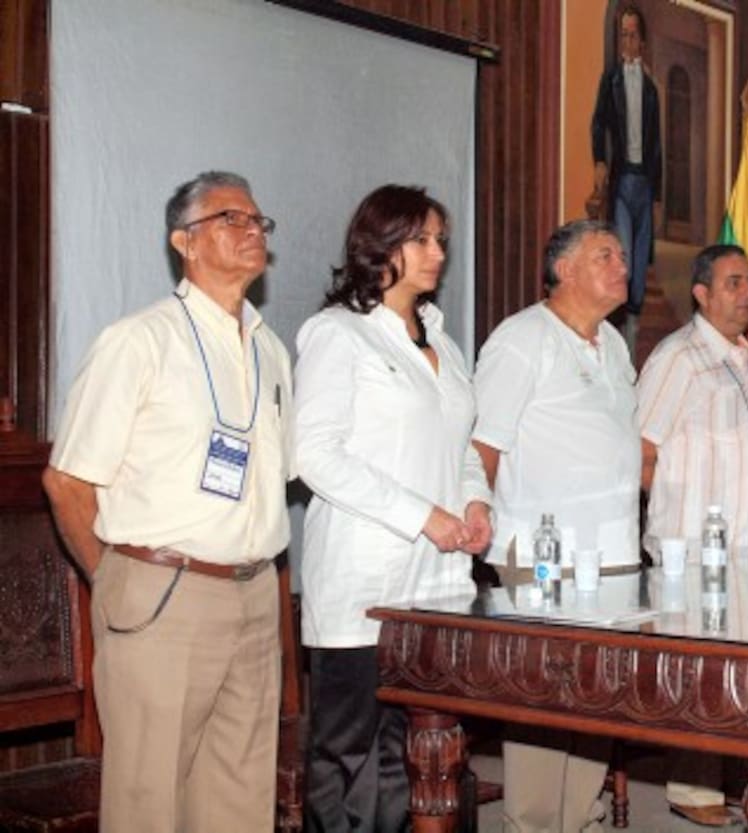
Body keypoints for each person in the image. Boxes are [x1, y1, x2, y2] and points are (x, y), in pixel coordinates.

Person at [42, 171, 291, 832]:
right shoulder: (139, 340)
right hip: (163, 589)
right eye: (231, 218)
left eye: (259, 220)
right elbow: (66, 482)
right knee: (148, 796)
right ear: (184, 241)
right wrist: (121, 576)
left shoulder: (270, 349)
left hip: (256, 588)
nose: (252, 230)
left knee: (240, 793)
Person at [293, 185, 492, 832]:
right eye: (422, 239)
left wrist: (474, 502)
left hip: (439, 584)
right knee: (352, 761)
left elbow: (460, 444)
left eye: (441, 240)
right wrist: (423, 515)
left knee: (429, 758)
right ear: (380, 244)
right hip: (363, 582)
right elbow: (314, 455)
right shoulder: (337, 333)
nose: (437, 252)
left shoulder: (445, 341)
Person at [472, 219, 640, 833]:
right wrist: (477, 529)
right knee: (543, 704)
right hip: (542, 557)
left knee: (597, 703)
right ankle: (535, 825)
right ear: (564, 270)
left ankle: (582, 821)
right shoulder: (521, 340)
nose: (622, 265)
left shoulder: (614, 343)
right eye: (605, 255)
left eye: (622, 254)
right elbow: (482, 447)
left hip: (613, 555)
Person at [637, 244, 748, 561]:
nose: (747, 292)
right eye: (733, 283)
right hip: (697, 558)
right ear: (703, 295)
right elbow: (639, 452)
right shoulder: (679, 357)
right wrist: (678, 506)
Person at [590, 3, 662, 354]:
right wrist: (600, 161)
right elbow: (598, 123)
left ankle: (631, 336)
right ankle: (617, 338)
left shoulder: (650, 87)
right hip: (621, 182)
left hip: (644, 183)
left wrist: (658, 195)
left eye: (633, 35)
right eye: (623, 34)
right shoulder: (612, 79)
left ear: (642, 42)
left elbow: (658, 144)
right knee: (624, 257)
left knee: (641, 260)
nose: (627, 40)